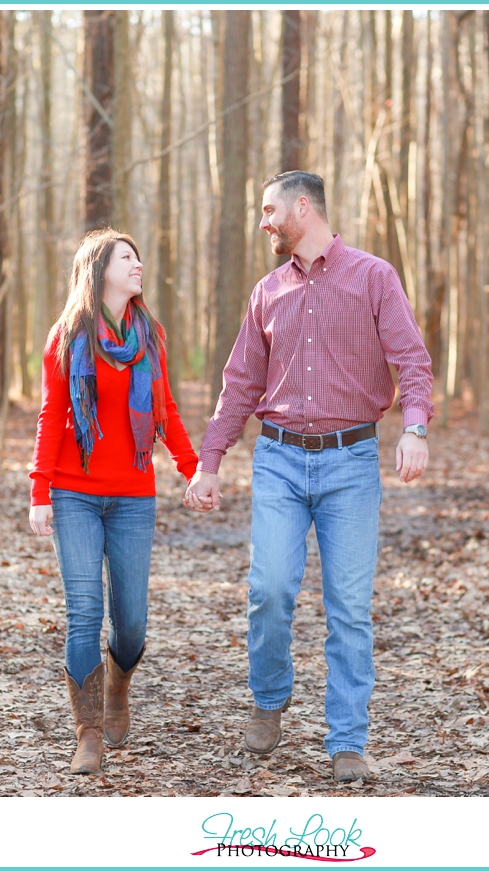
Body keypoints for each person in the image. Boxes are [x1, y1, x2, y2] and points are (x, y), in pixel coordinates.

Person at [184, 171, 434, 782]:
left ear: (303, 208)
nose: (263, 221)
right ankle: (269, 700)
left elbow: (411, 358)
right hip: (279, 460)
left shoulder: (374, 277)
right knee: (269, 590)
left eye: (269, 210)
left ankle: (347, 739)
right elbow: (240, 382)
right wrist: (209, 461)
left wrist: (415, 427)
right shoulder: (267, 292)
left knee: (349, 606)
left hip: (351, 462)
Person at [29, 229, 197, 774]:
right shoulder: (69, 334)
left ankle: (118, 685)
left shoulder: (149, 335)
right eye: (127, 257)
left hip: (132, 495)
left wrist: (194, 469)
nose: (139, 264)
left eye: (139, 256)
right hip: (74, 493)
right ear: (99, 269)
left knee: (131, 624)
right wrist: (40, 491)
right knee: (84, 613)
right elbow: (54, 417)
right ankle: (88, 734)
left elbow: (165, 407)